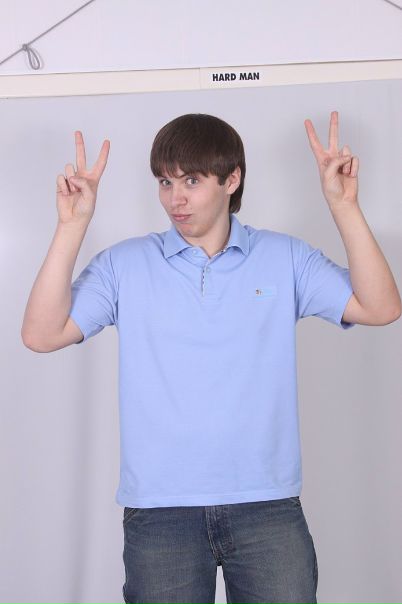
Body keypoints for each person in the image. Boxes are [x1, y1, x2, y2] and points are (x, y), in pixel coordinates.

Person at [21, 112, 401, 604]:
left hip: (266, 505)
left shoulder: (285, 257)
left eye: (192, 181)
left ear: (232, 179)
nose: (174, 199)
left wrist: (344, 206)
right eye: (165, 182)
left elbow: (380, 307)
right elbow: (41, 334)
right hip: (160, 510)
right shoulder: (123, 264)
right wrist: (72, 226)